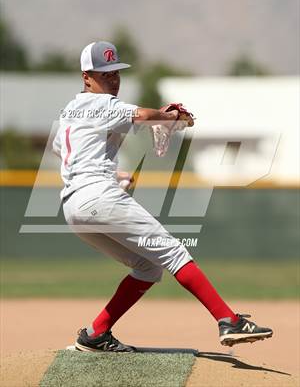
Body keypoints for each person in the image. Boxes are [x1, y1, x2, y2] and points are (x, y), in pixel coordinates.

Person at [53, 41, 273, 352]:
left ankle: (96, 333)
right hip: (99, 197)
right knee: (174, 252)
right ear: (86, 77)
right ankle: (228, 320)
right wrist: (167, 116)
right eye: (105, 74)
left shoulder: (68, 111)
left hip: (74, 206)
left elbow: (66, 155)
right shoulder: (104, 104)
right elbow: (144, 114)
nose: (113, 80)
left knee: (148, 267)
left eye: (115, 73)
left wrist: (114, 174)